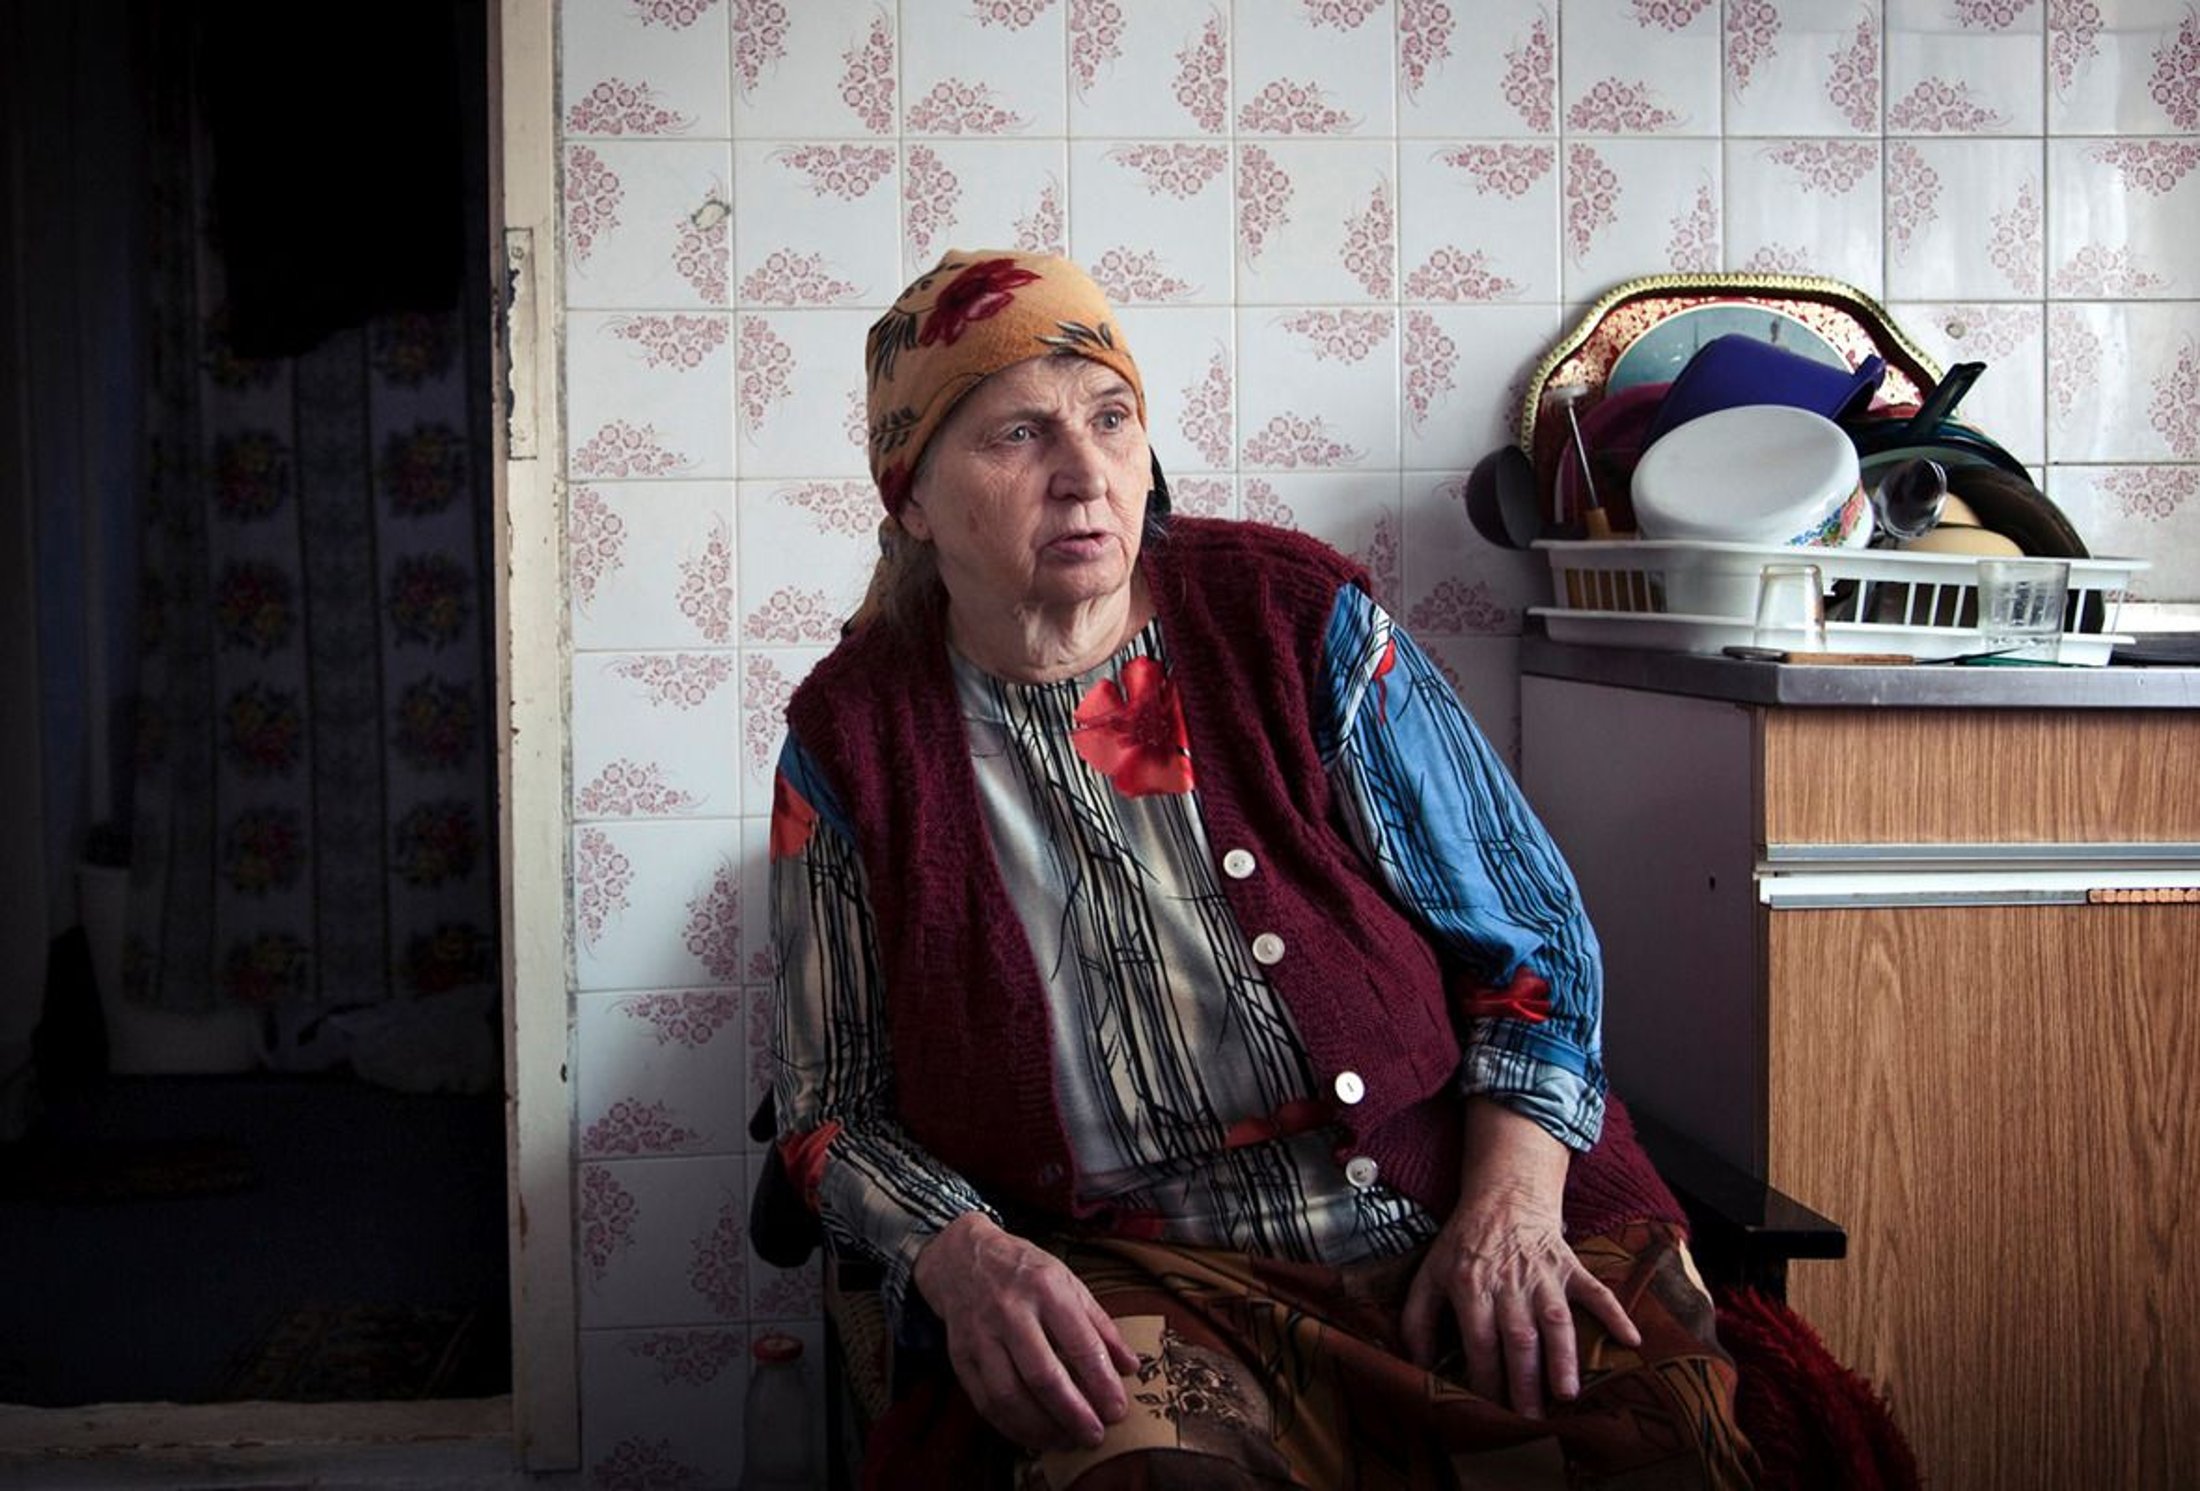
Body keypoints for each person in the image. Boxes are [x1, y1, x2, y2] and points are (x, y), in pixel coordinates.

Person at [767, 250, 1754, 1489]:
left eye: (1111, 419)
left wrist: (1507, 1209)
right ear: (911, 496)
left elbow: (1533, 941)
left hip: (1446, 1196)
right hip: (1143, 1271)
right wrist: (961, 1255)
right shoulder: (851, 738)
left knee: (1653, 1451)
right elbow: (831, 1104)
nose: (1084, 473)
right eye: (1017, 434)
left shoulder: (1291, 619)